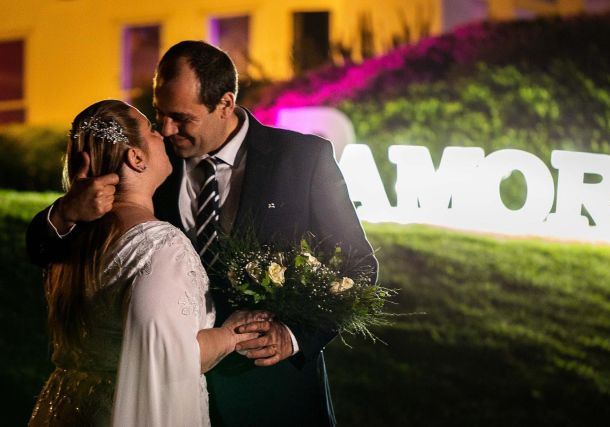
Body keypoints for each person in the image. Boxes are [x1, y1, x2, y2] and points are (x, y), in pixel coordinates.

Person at [27, 41, 378, 426]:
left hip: (274, 392)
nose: (166, 129)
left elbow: (357, 264)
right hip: (171, 391)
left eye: (181, 118)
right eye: (159, 115)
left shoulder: (302, 158)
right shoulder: (152, 163)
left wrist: (296, 335)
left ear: (225, 104)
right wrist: (64, 212)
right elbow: (51, 251)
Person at [28, 100, 266, 426]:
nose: (163, 135)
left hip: (67, 407)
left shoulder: (70, 238)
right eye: (152, 130)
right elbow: (169, 358)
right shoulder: (159, 245)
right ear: (136, 158)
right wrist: (231, 335)